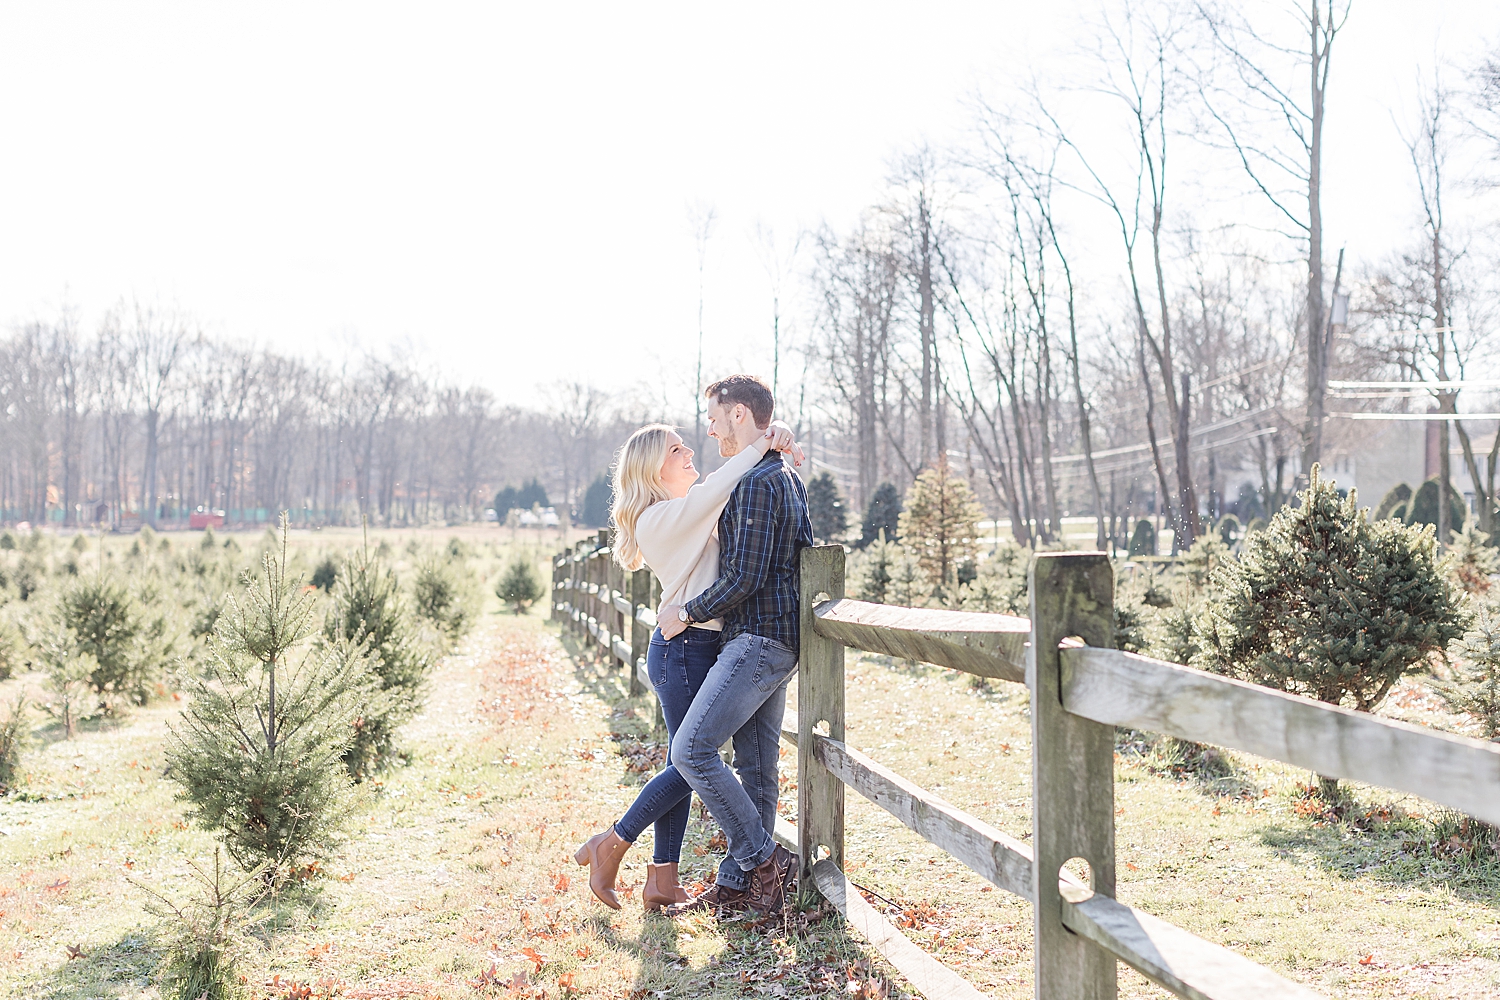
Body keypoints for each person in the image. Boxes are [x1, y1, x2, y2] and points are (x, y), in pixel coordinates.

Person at [573, 416, 802, 911]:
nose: (689, 452)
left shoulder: (680, 512)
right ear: (653, 469)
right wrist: (764, 439)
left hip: (697, 646)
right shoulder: (660, 518)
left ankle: (661, 878)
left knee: (686, 761)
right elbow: (721, 484)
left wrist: (775, 433)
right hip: (684, 649)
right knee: (689, 761)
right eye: (676, 450)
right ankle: (610, 844)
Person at [658, 374, 813, 918]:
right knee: (756, 766)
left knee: (691, 749)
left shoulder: (754, 484)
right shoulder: (783, 474)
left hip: (755, 641)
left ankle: (764, 858)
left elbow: (743, 576)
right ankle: (744, 883)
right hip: (776, 641)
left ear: (741, 416)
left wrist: (686, 612)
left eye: (716, 416)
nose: (709, 427)